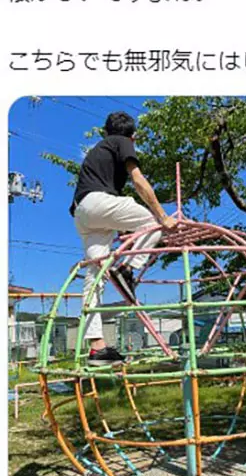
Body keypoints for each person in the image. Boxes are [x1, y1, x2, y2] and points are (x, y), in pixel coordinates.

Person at [70, 112, 177, 365]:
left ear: (105, 131)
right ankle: (128, 269)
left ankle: (97, 348)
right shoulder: (122, 141)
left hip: (82, 212)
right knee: (153, 222)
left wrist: (118, 226)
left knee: (95, 275)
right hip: (98, 202)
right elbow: (138, 179)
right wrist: (163, 215)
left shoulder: (99, 149)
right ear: (133, 136)